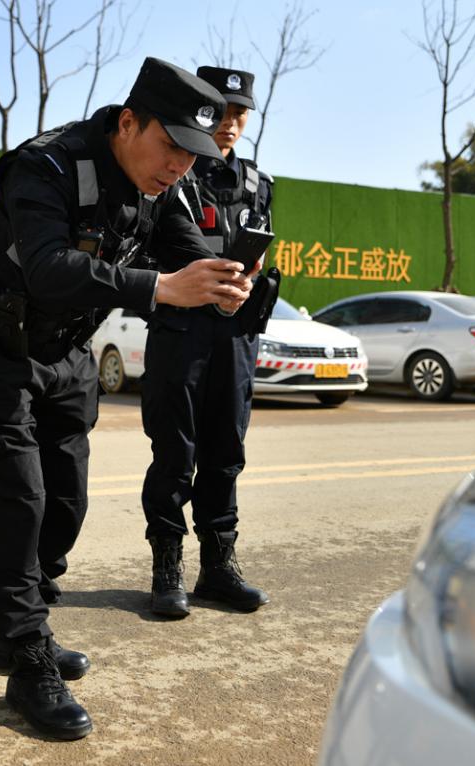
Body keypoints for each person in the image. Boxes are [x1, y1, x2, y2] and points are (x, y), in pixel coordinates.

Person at [0, 57, 252, 741]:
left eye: (192, 153)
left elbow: (186, 252)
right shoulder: (47, 166)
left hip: (68, 356)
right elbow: (51, 268)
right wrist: (162, 288)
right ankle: (26, 657)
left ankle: (18, 627)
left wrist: (225, 275)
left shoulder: (162, 186)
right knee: (14, 504)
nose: (178, 166)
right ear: (127, 121)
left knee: (64, 505)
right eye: (169, 145)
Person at [139, 66, 276, 619]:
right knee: (175, 454)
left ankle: (218, 568)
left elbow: (258, 252)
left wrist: (249, 277)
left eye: (241, 113)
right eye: (221, 110)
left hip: (236, 336)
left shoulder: (258, 182)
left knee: (226, 454)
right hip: (180, 333)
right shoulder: (169, 173)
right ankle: (165, 570)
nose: (231, 123)